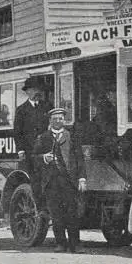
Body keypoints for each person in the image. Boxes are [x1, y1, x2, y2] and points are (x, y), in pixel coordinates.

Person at [33, 108, 87, 253]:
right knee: (56, 214)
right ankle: (61, 244)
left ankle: (75, 244)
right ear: (50, 121)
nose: (58, 121)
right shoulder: (43, 137)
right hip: (51, 183)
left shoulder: (72, 136)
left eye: (60, 118)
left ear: (64, 120)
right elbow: (34, 158)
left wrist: (82, 178)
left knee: (72, 213)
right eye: (55, 119)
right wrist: (44, 158)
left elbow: (79, 159)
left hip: (69, 181)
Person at [13, 76, 50, 216]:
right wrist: (21, 149)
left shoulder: (47, 106)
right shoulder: (21, 110)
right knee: (35, 179)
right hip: (30, 151)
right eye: (34, 89)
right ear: (27, 92)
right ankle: (41, 208)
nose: (37, 92)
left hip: (47, 150)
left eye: (39, 90)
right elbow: (17, 132)